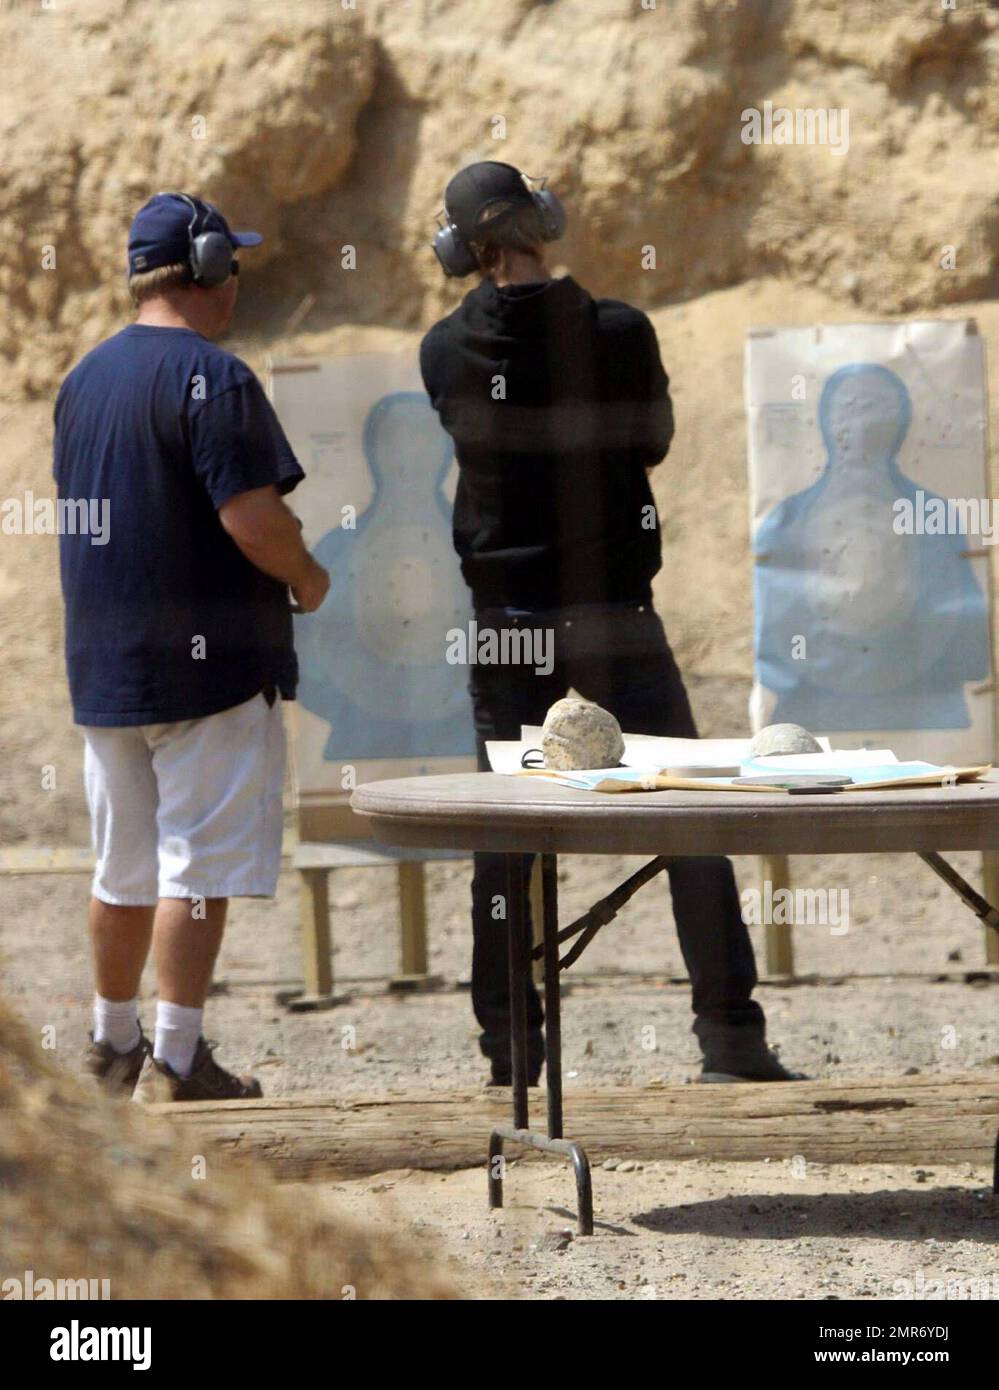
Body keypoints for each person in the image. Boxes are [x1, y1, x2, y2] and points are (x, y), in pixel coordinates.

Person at [420, 161, 802, 1086]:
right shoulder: (620, 332)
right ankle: (729, 1031)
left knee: (505, 837)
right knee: (686, 813)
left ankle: (511, 1054)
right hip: (615, 614)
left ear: (459, 250)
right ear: (544, 224)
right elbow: (654, 442)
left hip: (507, 623)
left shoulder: (442, 350)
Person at [54, 192, 330, 1102]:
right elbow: (252, 518)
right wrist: (306, 575)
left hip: (106, 668)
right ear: (208, 267)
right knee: (197, 870)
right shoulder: (217, 377)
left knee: (122, 867)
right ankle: (176, 1060)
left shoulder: (82, 380)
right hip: (207, 670)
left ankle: (109, 1043)